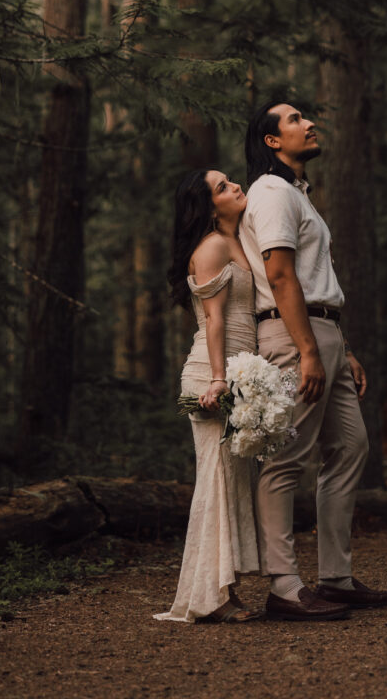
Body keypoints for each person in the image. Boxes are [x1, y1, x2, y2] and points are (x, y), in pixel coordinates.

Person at [239, 101, 387, 621]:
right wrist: (309, 350)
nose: (308, 123)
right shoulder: (270, 192)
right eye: (293, 120)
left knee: (351, 446)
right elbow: (281, 276)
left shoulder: (299, 195)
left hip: (323, 331)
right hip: (294, 337)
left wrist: (341, 348)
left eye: (306, 117)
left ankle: (336, 576)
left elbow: (314, 281)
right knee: (286, 458)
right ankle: (284, 585)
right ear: (271, 141)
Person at [154, 169, 262, 624]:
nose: (235, 186)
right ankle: (210, 597)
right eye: (222, 187)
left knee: (231, 481)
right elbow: (215, 321)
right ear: (207, 206)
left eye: (231, 180)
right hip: (213, 375)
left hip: (240, 371)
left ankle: (224, 590)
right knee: (216, 479)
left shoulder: (234, 238)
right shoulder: (214, 246)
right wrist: (219, 379)